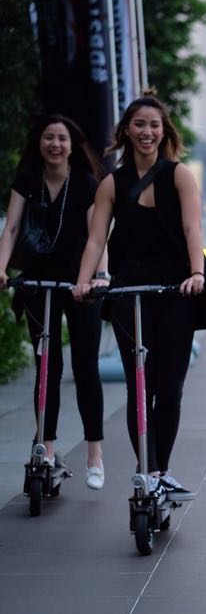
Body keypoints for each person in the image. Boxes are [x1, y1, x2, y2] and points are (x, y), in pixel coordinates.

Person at [73, 93, 206, 500]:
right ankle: (148, 472)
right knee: (139, 385)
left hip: (175, 287)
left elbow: (193, 230)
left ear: (164, 131)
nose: (146, 132)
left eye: (154, 125)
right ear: (126, 132)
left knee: (169, 386)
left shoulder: (179, 176)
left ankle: (161, 469)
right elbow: (97, 238)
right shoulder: (111, 184)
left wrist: (195, 274)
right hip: (129, 290)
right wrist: (84, 282)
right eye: (139, 125)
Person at [0, 115, 108, 489]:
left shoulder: (85, 183)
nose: (55, 144)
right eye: (49, 137)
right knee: (47, 364)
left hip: (80, 281)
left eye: (62, 138)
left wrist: (99, 277)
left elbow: (98, 236)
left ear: (72, 145)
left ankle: (94, 451)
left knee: (85, 365)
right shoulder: (27, 180)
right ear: (40, 142)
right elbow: (11, 228)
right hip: (39, 280)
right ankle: (45, 447)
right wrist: (2, 269)